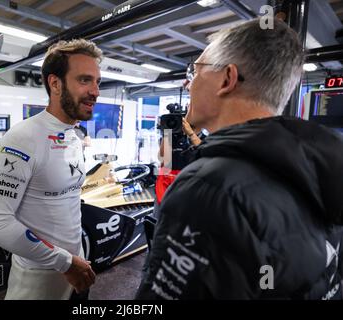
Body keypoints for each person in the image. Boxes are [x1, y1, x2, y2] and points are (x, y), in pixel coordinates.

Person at [136, 18, 343, 299]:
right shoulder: (317, 171)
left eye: (195, 71)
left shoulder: (206, 189)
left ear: (227, 79)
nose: (188, 84)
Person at [0, 39, 102, 300]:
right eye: (84, 80)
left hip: (77, 266)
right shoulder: (22, 138)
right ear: (55, 83)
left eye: (97, 81)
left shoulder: (73, 135)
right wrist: (64, 261)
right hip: (39, 276)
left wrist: (75, 259)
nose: (95, 91)